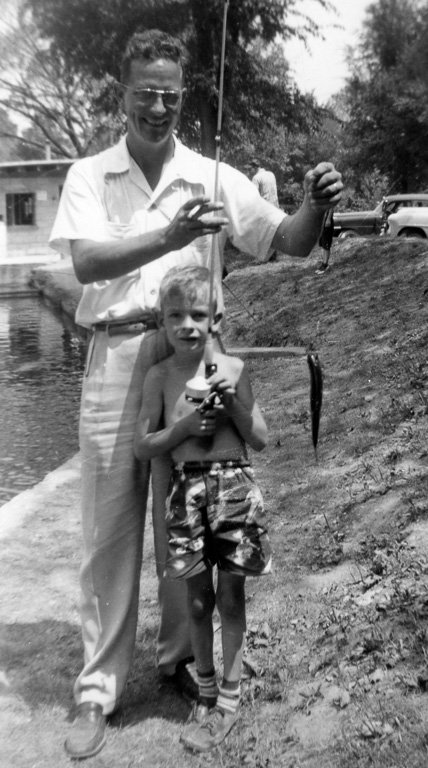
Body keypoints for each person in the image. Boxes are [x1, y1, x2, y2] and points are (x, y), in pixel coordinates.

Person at [48, 28, 342, 759]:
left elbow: (289, 239)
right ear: (123, 94)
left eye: (170, 95)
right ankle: (98, 688)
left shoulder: (215, 173)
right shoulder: (91, 175)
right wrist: (166, 235)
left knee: (187, 516)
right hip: (119, 350)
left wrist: (316, 202)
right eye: (144, 93)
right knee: (109, 529)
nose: (158, 107)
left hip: (194, 358)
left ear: (183, 96)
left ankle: (185, 661)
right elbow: (86, 263)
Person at [134, 265, 271, 751]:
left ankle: (229, 699)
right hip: (186, 494)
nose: (187, 325)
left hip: (233, 488)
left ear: (217, 317)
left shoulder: (232, 368)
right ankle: (206, 688)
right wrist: (185, 428)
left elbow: (260, 437)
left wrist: (232, 400)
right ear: (161, 321)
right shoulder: (159, 376)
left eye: (198, 314)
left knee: (231, 598)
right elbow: (144, 445)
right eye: (176, 315)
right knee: (196, 600)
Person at [249, 159, 279, 260]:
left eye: (250, 169)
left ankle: (264, 256)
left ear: (255, 167)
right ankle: (273, 255)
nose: (249, 172)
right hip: (275, 206)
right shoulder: (271, 174)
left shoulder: (256, 178)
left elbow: (254, 196)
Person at [315, 208, 335, 274]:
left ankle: (326, 265)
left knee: (326, 244)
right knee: (323, 244)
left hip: (327, 221)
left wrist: (328, 218)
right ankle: (323, 263)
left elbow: (331, 207)